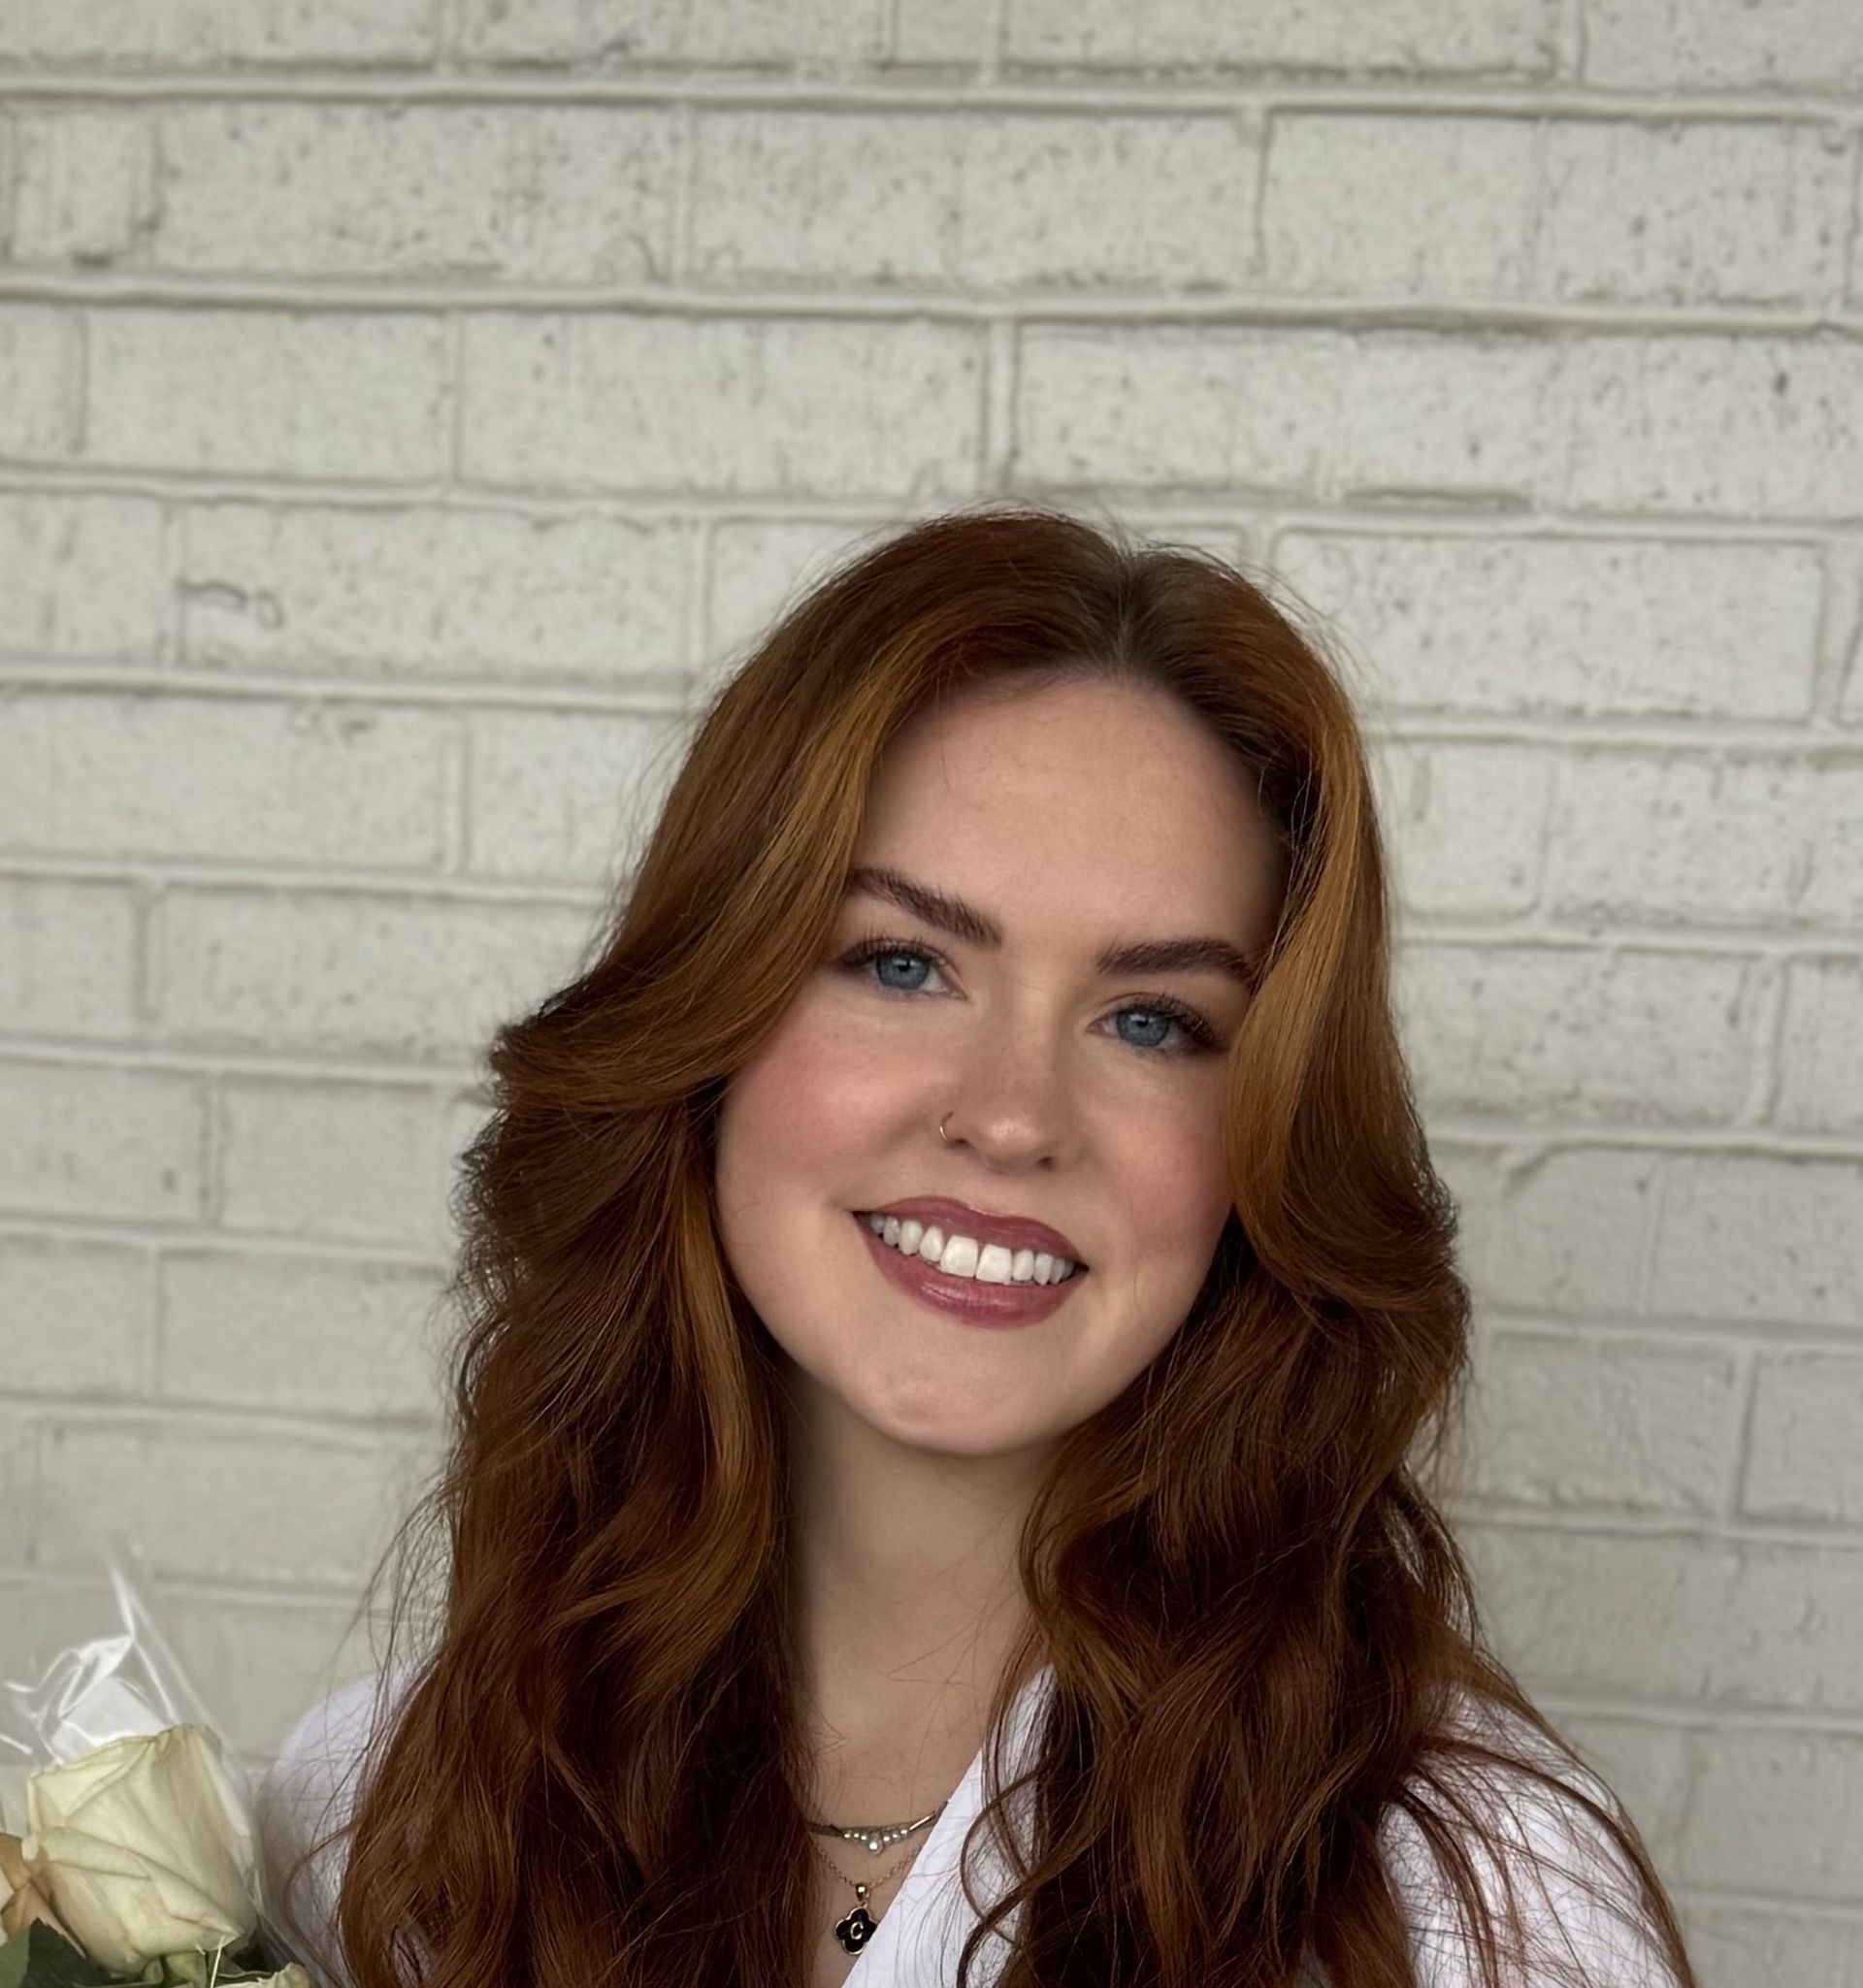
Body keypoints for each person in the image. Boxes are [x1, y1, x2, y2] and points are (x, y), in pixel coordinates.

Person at [255, 504, 1698, 1988]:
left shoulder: (1467, 1906)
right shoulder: (386, 1812)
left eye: (1153, 1021)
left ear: (1269, 1147)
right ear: (708, 1027)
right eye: (902, 962)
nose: (1012, 1117)